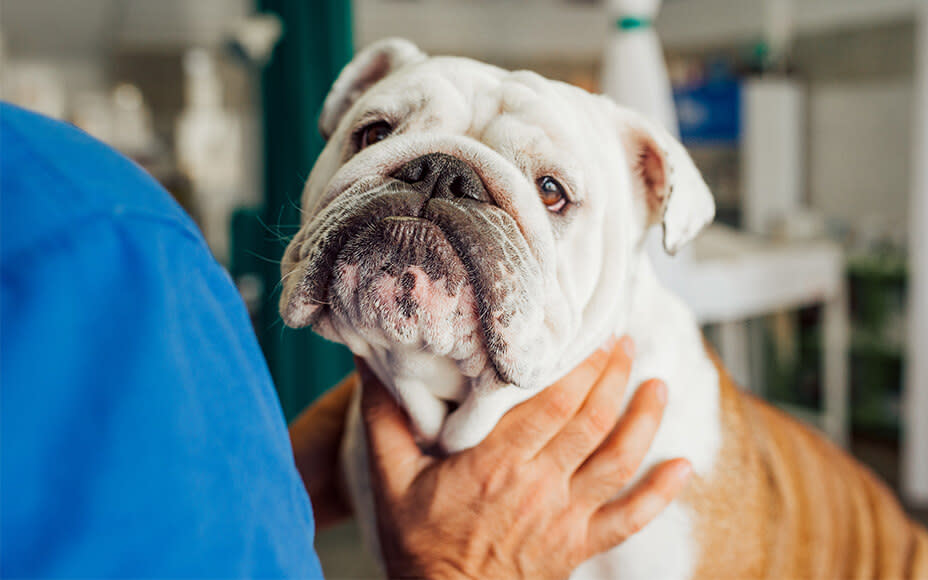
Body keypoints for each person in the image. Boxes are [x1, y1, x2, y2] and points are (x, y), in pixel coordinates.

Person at [0, 102, 691, 579]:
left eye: (549, 189)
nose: (434, 189)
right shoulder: (103, 231)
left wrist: (265, 475)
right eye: (376, 134)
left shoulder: (84, 222)